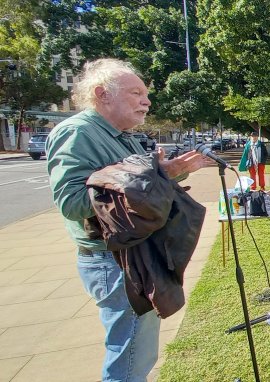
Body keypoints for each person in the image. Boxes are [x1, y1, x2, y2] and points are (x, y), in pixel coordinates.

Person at [45, 58, 208, 381]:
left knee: (139, 354)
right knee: (130, 358)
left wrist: (166, 175)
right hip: (114, 261)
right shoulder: (78, 133)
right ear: (102, 94)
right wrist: (152, 177)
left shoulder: (123, 137)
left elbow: (133, 190)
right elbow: (73, 203)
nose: (146, 101)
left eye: (145, 94)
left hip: (135, 255)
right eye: (136, 93)